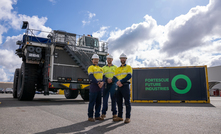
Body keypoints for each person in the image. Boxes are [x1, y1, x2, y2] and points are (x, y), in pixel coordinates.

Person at [113, 53, 132, 123]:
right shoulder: (117, 69)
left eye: (124, 58)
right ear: (120, 59)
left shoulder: (128, 67)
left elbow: (129, 76)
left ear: (126, 59)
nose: (122, 59)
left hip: (125, 85)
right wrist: (117, 82)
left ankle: (127, 117)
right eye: (121, 58)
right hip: (119, 86)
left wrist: (120, 81)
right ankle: (120, 116)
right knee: (119, 102)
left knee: (127, 102)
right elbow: (114, 77)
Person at [87, 54, 104, 122]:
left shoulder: (101, 68)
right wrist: (98, 83)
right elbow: (91, 76)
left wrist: (102, 82)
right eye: (94, 60)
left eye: (97, 60)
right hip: (94, 86)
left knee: (99, 102)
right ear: (92, 60)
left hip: (100, 87)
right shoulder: (90, 67)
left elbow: (103, 77)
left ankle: (97, 116)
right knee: (92, 102)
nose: (96, 61)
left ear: (98, 60)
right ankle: (90, 116)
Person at [101, 55, 118, 119]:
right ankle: (103, 113)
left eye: (110, 59)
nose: (109, 60)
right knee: (105, 99)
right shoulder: (103, 68)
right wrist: (106, 79)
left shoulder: (116, 67)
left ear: (112, 60)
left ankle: (114, 114)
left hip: (113, 85)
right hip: (106, 84)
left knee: (114, 100)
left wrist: (112, 80)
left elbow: (117, 76)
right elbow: (102, 76)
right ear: (106, 60)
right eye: (108, 59)